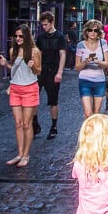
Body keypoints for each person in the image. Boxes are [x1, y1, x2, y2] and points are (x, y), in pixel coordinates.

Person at [0, 24, 41, 168]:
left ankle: (26, 154)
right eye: (15, 36)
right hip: (16, 88)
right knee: (17, 123)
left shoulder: (34, 51)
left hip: (30, 88)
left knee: (26, 123)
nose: (17, 39)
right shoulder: (13, 51)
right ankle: (19, 153)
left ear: (27, 37)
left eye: (20, 36)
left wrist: (33, 66)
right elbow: (15, 69)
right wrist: (5, 65)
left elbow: (38, 71)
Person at [34, 11, 67, 140]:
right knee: (34, 97)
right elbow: (37, 53)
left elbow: (62, 55)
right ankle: (35, 123)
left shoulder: (59, 37)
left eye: (46, 24)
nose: (44, 27)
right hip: (41, 71)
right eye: (42, 25)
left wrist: (59, 72)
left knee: (53, 100)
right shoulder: (41, 38)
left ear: (52, 23)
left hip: (53, 70)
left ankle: (54, 126)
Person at [74, 20, 108, 118]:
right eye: (90, 30)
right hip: (85, 80)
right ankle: (86, 132)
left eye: (95, 30)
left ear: (99, 32)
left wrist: (99, 62)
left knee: (96, 113)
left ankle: (93, 133)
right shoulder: (81, 45)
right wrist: (85, 62)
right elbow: (77, 67)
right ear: (86, 31)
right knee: (88, 112)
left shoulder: (103, 43)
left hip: (99, 80)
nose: (93, 32)